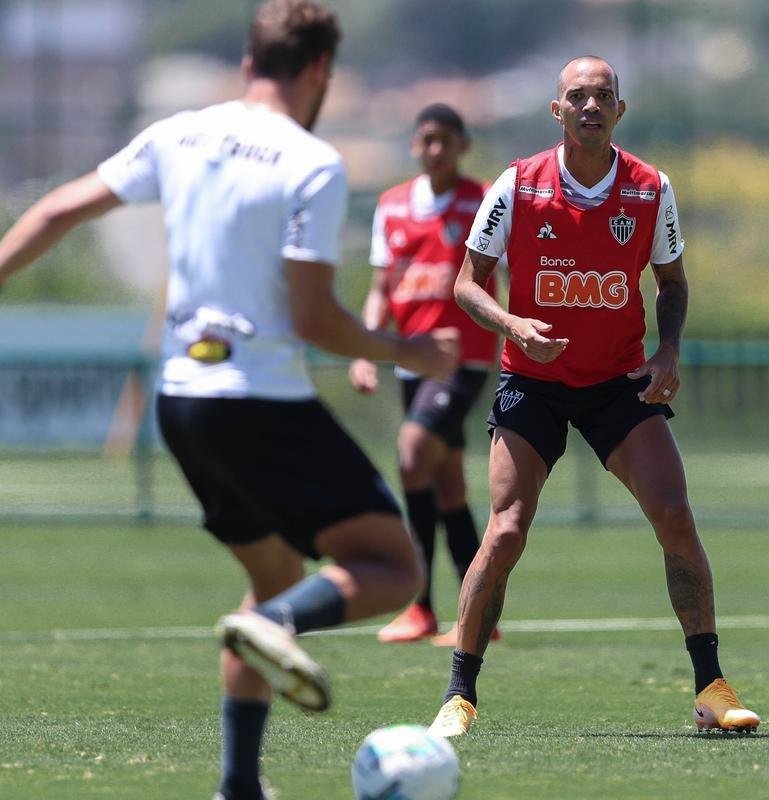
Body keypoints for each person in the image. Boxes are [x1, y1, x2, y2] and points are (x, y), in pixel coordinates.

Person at [0, 2, 459, 798]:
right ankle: (276, 627)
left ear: (251, 62)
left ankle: (238, 787)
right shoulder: (310, 161)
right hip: (259, 403)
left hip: (182, 402)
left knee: (271, 577)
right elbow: (316, 320)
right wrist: (406, 351)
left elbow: (53, 210)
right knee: (390, 566)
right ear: (319, 70)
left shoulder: (180, 132)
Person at [426, 56, 760, 737]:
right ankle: (458, 695)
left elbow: (671, 283)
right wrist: (513, 323)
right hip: (533, 382)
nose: (589, 106)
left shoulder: (649, 188)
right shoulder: (517, 185)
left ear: (619, 109)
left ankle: (712, 689)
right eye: (576, 96)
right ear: (556, 110)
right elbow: (466, 283)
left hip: (616, 382)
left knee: (674, 513)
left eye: (601, 96)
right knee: (507, 527)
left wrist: (667, 352)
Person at [348, 103, 501, 646]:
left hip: (465, 359)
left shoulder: (485, 199)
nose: (435, 149)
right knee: (447, 484)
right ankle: (476, 614)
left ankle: (418, 603)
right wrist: (365, 350)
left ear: (462, 145)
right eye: (426, 139)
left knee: (412, 454)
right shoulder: (390, 206)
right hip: (411, 361)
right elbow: (379, 289)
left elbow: (509, 270)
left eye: (446, 140)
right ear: (415, 145)